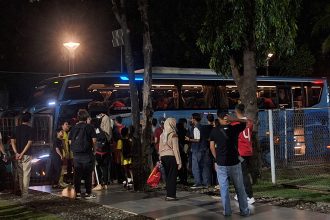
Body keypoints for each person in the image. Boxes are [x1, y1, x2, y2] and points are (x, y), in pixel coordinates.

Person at [209, 109, 250, 217]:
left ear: (218, 118)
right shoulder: (234, 128)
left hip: (221, 164)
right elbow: (246, 122)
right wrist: (234, 119)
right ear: (227, 117)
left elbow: (211, 146)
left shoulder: (214, 131)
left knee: (224, 189)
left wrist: (216, 159)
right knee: (240, 188)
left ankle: (227, 211)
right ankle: (244, 211)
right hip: (234, 163)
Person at [69, 109, 97, 199]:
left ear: (78, 118)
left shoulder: (73, 128)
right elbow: (94, 140)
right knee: (88, 174)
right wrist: (94, 150)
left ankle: (77, 193)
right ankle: (88, 193)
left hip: (76, 154)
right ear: (86, 117)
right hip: (87, 154)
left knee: (77, 174)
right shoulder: (89, 127)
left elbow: (70, 141)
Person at [233, 104, 255, 204]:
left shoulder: (235, 124)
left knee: (242, 174)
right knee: (243, 173)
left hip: (240, 151)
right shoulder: (250, 122)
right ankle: (241, 193)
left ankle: (249, 196)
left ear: (236, 112)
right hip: (248, 150)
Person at [10, 112, 34, 197]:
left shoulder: (15, 128)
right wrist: (22, 153)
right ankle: (25, 193)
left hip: (17, 155)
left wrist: (16, 153)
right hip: (26, 154)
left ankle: (21, 190)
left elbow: (12, 141)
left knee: (20, 174)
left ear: (21, 119)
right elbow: (29, 142)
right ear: (29, 119)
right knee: (26, 174)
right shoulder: (30, 129)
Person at [159, 118, 182, 200]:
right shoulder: (174, 134)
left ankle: (168, 194)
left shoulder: (162, 135)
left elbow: (160, 148)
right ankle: (171, 195)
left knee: (168, 176)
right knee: (172, 176)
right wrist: (179, 161)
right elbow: (176, 149)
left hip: (163, 157)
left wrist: (160, 158)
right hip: (171, 157)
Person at [185, 113, 210, 188]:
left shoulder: (196, 128)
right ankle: (206, 183)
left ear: (194, 119)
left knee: (195, 167)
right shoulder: (202, 127)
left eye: (192, 118)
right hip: (204, 149)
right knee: (204, 167)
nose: (191, 119)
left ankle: (198, 182)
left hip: (197, 149)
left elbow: (197, 139)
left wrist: (189, 139)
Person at [93, 117, 111, 191]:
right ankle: (106, 184)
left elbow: (94, 141)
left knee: (97, 168)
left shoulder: (94, 131)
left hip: (98, 152)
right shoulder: (103, 131)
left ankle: (99, 183)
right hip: (105, 152)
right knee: (105, 168)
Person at [176, 118, 188, 185]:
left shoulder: (176, 132)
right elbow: (187, 141)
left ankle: (181, 178)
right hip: (184, 150)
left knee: (179, 165)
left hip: (178, 150)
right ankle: (185, 179)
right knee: (184, 165)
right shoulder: (185, 131)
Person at [60, 121, 71, 186]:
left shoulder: (66, 133)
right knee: (63, 167)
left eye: (68, 124)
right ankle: (60, 182)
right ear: (62, 126)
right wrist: (66, 152)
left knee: (64, 168)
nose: (68, 126)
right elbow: (63, 143)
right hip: (63, 153)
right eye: (66, 124)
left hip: (66, 153)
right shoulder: (62, 133)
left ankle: (61, 181)